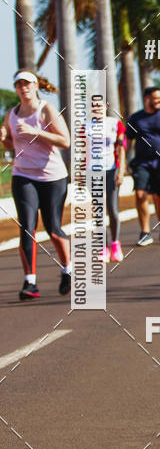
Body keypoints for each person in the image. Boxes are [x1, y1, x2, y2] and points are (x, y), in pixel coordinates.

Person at [0, 71, 71, 300]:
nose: (23, 88)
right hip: (23, 175)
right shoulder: (11, 113)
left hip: (52, 176)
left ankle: (67, 271)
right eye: (19, 84)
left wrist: (36, 131)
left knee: (53, 227)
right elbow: (11, 144)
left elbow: (65, 141)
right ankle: (30, 282)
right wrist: (3, 139)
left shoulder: (46, 109)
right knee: (27, 228)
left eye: (27, 84)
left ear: (36, 86)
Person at [126, 87, 160, 246]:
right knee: (140, 195)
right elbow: (128, 140)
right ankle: (145, 232)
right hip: (141, 163)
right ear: (147, 99)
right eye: (156, 98)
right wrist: (125, 162)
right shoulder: (136, 119)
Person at [85, 98, 126, 263]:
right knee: (99, 210)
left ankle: (115, 243)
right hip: (93, 171)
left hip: (111, 169)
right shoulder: (86, 127)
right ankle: (103, 247)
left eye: (100, 105)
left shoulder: (115, 124)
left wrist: (121, 170)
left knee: (113, 208)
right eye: (93, 105)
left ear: (106, 107)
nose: (97, 108)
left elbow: (122, 147)